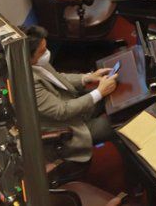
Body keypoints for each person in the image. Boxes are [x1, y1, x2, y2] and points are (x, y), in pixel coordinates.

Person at [24, 25, 118, 163]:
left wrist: (87, 77)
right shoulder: (28, 84)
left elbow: (57, 77)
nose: (47, 53)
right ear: (27, 57)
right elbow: (61, 110)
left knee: (116, 95)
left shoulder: (35, 63)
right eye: (42, 51)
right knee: (118, 122)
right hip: (69, 129)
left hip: (75, 109)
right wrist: (99, 92)